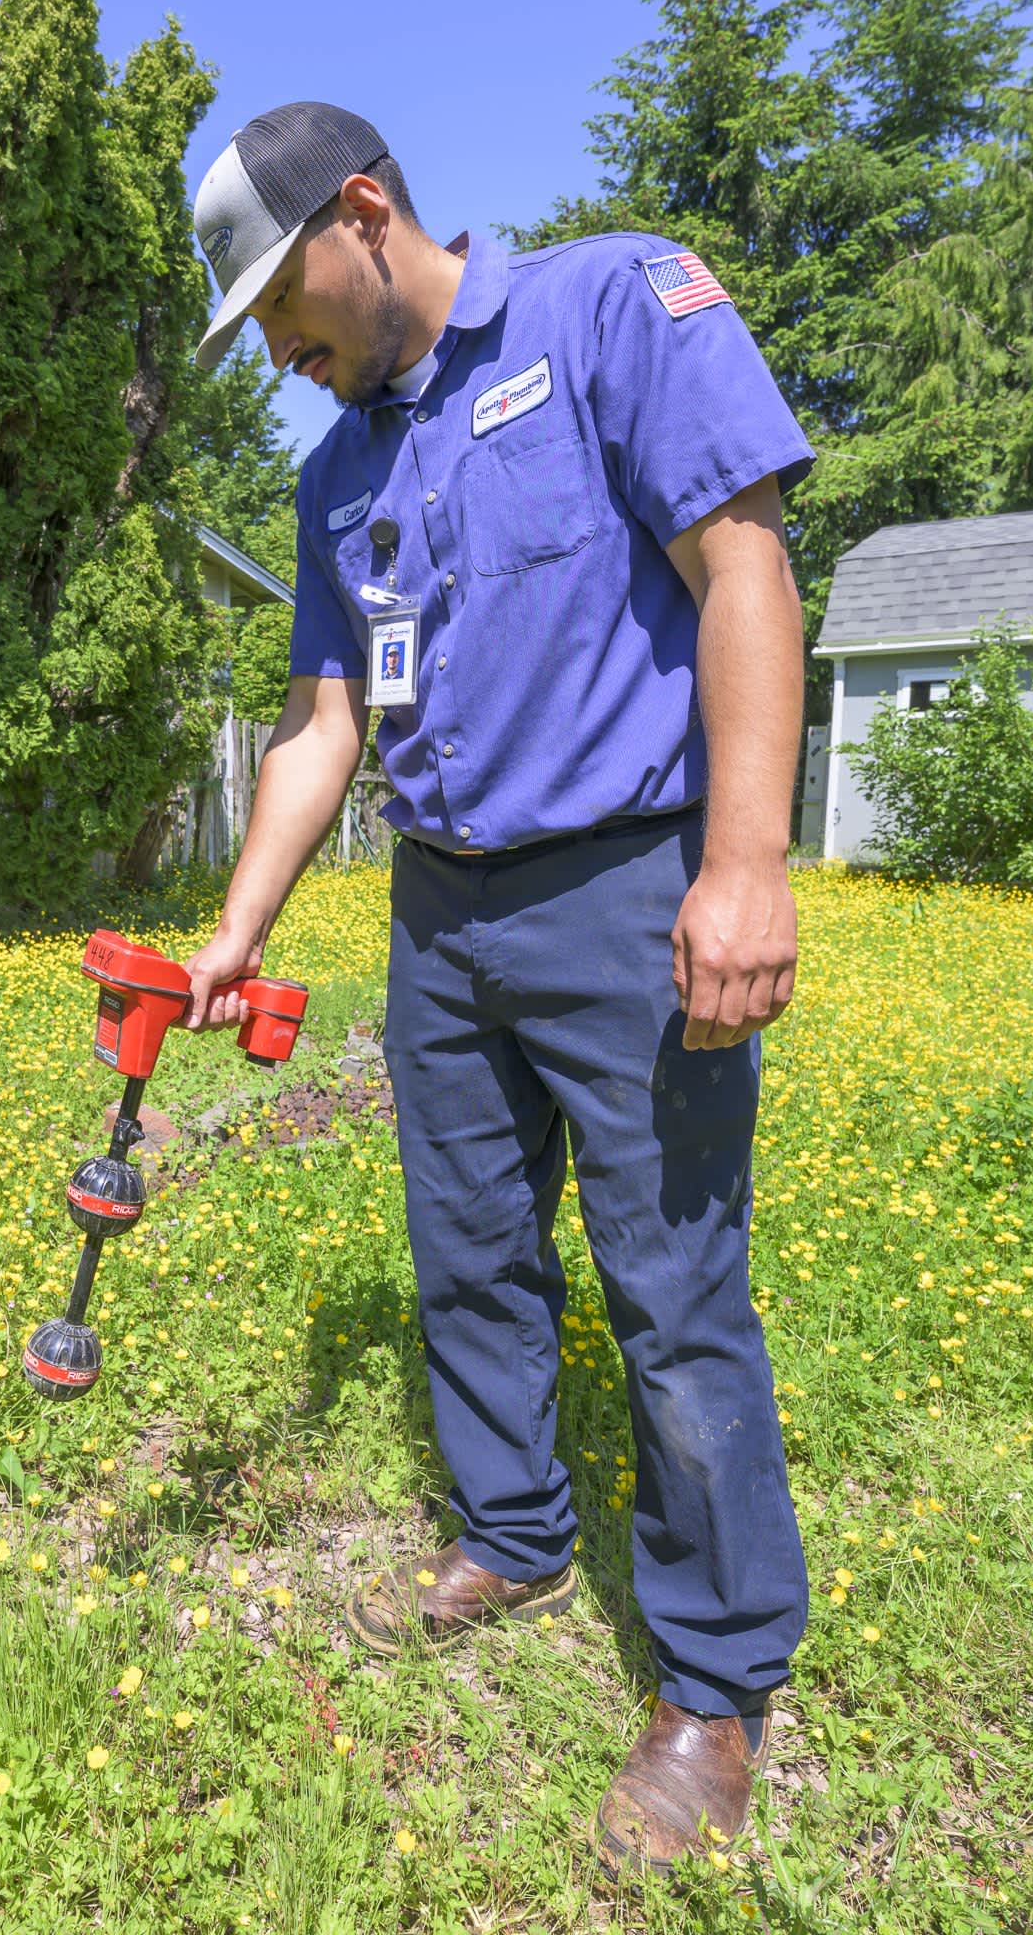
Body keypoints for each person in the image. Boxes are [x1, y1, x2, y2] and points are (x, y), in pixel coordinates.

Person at [176, 101, 812, 1877]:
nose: (281, 359)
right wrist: (239, 925)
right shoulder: (334, 477)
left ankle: (712, 1681)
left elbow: (744, 569)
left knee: (673, 1288)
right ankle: (515, 1533)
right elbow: (325, 727)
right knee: (467, 1246)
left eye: (281, 312)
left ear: (362, 214)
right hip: (440, 918)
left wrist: (745, 864)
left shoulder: (616, 310)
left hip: (626, 887)